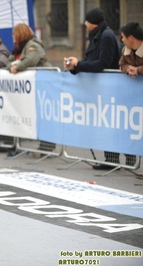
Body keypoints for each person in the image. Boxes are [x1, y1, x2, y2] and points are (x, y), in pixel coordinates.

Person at [63, 7, 123, 170]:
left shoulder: (106, 36)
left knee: (113, 125)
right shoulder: (98, 35)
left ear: (93, 23)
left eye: (87, 21)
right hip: (101, 89)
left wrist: (78, 64)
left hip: (110, 89)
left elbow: (102, 64)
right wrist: (74, 66)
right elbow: (92, 59)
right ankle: (110, 159)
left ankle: (118, 160)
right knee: (106, 125)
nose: (85, 24)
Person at [6, 23, 54, 157]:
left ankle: (47, 147)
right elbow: (8, 62)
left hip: (44, 84)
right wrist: (13, 66)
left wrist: (17, 67)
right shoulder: (18, 48)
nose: (12, 36)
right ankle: (39, 148)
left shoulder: (33, 45)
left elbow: (31, 60)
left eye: (14, 33)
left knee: (44, 114)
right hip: (32, 88)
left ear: (20, 34)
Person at [118, 22, 143, 168]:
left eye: (123, 37)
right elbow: (121, 64)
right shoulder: (126, 50)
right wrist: (129, 69)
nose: (122, 40)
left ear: (131, 38)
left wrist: (137, 70)